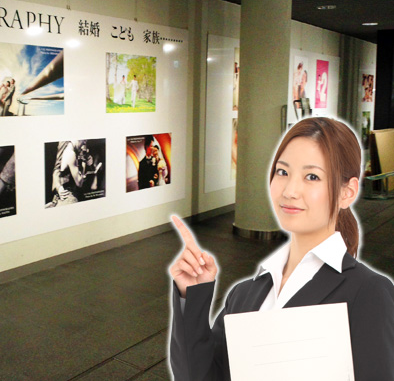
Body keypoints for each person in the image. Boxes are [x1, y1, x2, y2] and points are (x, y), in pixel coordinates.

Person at [169, 117, 394, 380]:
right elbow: (198, 377)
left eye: (312, 176)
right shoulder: (243, 294)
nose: (290, 190)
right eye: (282, 172)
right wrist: (192, 295)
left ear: (347, 192)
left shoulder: (368, 292)